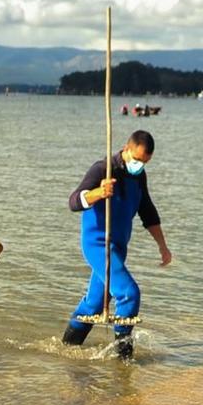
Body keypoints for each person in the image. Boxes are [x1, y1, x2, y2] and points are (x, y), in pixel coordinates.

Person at [62, 129, 172, 359]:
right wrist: (98, 193)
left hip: (118, 247)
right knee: (129, 294)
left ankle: (65, 351)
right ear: (126, 149)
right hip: (97, 244)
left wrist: (162, 246)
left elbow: (148, 212)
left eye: (145, 162)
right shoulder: (103, 169)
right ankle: (124, 360)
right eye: (137, 159)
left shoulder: (139, 176)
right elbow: (74, 201)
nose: (139, 165)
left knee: (93, 305)